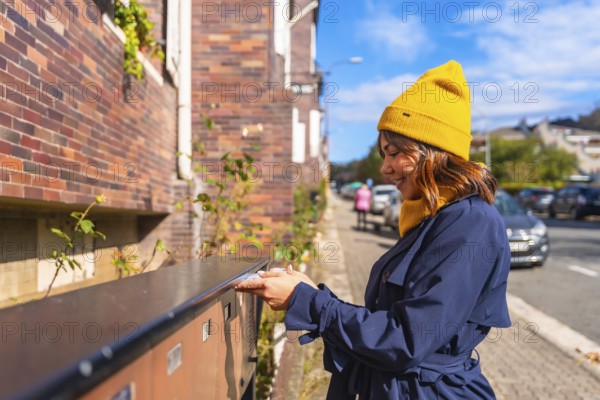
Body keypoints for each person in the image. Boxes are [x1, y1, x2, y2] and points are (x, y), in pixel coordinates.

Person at [236, 60, 511, 399]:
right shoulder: (433, 218)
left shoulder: (471, 222)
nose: (385, 168)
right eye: (384, 154)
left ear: (435, 152)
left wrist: (307, 302)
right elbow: (392, 323)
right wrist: (313, 295)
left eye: (395, 153)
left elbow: (406, 340)